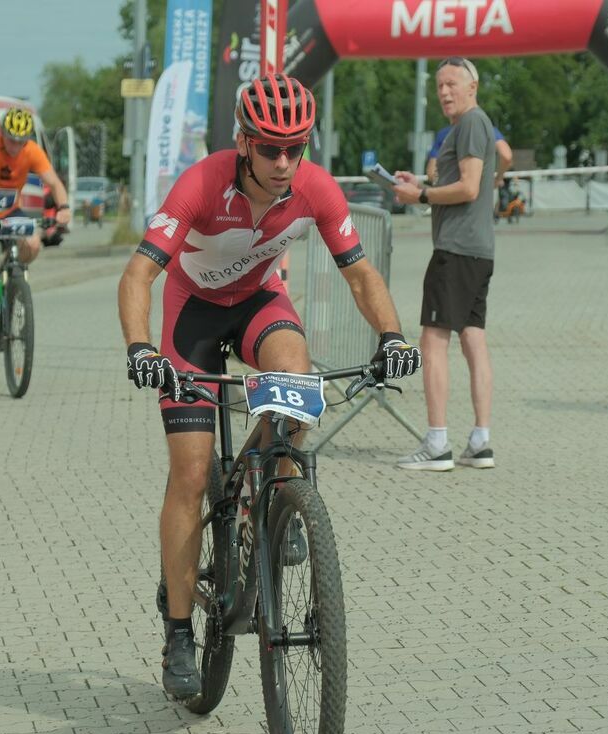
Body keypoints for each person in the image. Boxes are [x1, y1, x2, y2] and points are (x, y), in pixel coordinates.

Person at [116, 73, 420, 699]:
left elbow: (361, 276)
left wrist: (391, 336)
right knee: (192, 474)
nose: (285, 163)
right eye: (271, 149)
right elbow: (138, 276)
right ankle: (178, 630)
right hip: (192, 315)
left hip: (257, 300)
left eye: (296, 148)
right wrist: (141, 349)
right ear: (244, 143)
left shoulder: (314, 188)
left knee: (295, 377)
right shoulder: (200, 185)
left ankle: (272, 491)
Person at [392, 56, 497, 471]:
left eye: (452, 83)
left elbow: (469, 188)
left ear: (473, 86)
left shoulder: (472, 122)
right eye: (439, 87)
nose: (445, 92)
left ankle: (437, 442)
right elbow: (461, 182)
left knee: (433, 341)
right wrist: (422, 184)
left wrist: (420, 198)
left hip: (456, 250)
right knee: (474, 339)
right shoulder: (469, 126)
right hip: (478, 249)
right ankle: (481, 440)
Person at [0, 107, 72, 371]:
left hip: (9, 214)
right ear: (3, 134)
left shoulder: (31, 151)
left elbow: (54, 182)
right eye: (11, 140)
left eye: (21, 141)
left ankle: (13, 277)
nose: (16, 146)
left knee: (33, 242)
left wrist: (64, 207)